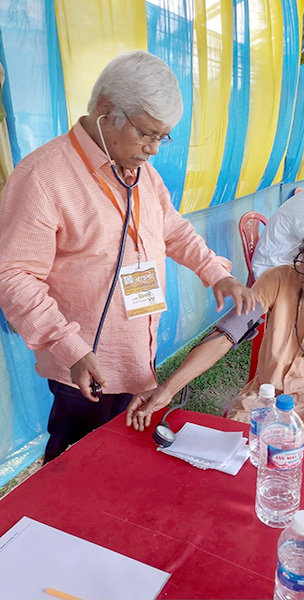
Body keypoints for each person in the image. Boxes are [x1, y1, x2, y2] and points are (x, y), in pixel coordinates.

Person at [0, 51, 256, 463]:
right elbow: (14, 277)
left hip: (138, 354)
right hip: (85, 363)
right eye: (146, 134)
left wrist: (214, 271)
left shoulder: (140, 172)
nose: (153, 150)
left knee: (121, 458)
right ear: (106, 111)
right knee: (75, 464)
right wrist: (69, 346)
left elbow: (171, 228)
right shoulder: (42, 178)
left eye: (162, 137)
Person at [126, 212, 304, 455]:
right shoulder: (278, 279)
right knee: (234, 456)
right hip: (264, 401)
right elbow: (226, 335)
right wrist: (168, 389)